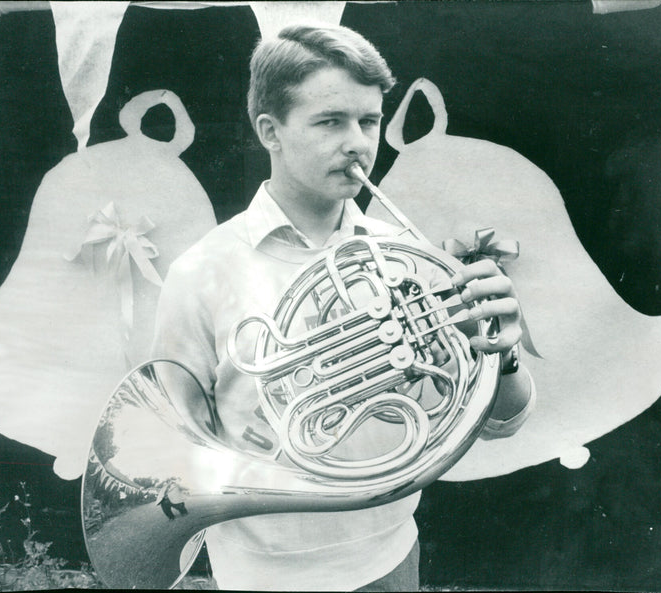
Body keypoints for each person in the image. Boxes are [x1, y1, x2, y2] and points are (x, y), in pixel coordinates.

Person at [152, 22, 534, 592]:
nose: (357, 142)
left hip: (390, 556)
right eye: (330, 121)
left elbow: (501, 422)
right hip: (264, 574)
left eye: (369, 121)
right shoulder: (200, 272)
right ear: (270, 132)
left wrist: (500, 356)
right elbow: (174, 450)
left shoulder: (406, 261)